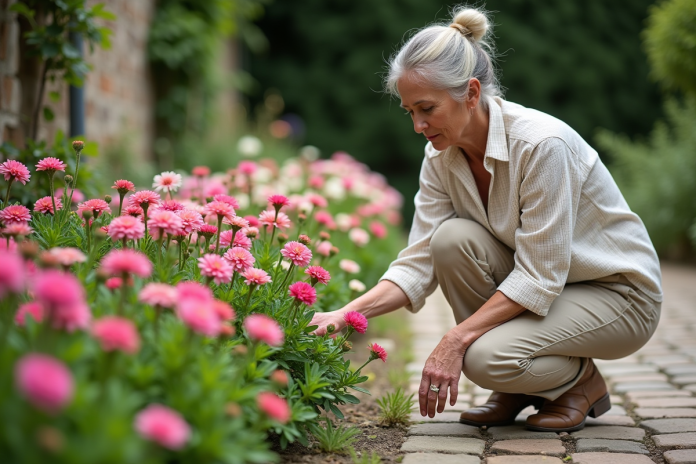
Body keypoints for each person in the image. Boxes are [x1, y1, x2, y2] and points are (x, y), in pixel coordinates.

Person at [309, 5, 662, 433]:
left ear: (471, 94)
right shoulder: (440, 156)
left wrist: (455, 340)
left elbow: (539, 275)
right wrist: (345, 314)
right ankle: (518, 386)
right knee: (450, 240)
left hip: (618, 295)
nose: (418, 125)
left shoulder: (541, 145)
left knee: (482, 357)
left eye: (427, 108)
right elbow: (419, 260)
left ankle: (579, 382)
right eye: (409, 112)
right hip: (556, 286)